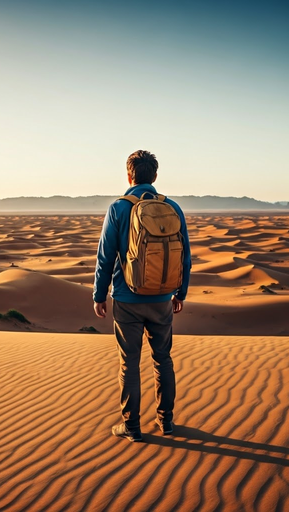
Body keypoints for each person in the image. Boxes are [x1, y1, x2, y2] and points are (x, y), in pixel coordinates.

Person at [93, 150, 191, 442]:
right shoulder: (171, 207)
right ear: (155, 176)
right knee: (163, 359)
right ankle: (166, 421)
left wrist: (100, 295)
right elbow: (185, 256)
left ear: (129, 175)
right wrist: (180, 293)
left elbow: (105, 256)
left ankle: (132, 426)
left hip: (127, 300)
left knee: (130, 363)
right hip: (162, 300)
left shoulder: (119, 208)